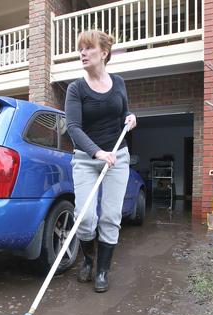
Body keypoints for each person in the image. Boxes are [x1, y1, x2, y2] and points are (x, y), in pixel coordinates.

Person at [65, 30, 137, 293]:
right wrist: (97, 153)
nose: (82, 53)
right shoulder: (76, 88)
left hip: (117, 158)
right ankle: (88, 259)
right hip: (86, 159)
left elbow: (123, 111)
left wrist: (130, 117)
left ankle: (103, 270)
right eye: (80, 49)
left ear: (103, 53)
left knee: (111, 215)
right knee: (84, 218)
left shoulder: (118, 82)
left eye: (88, 48)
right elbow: (73, 127)